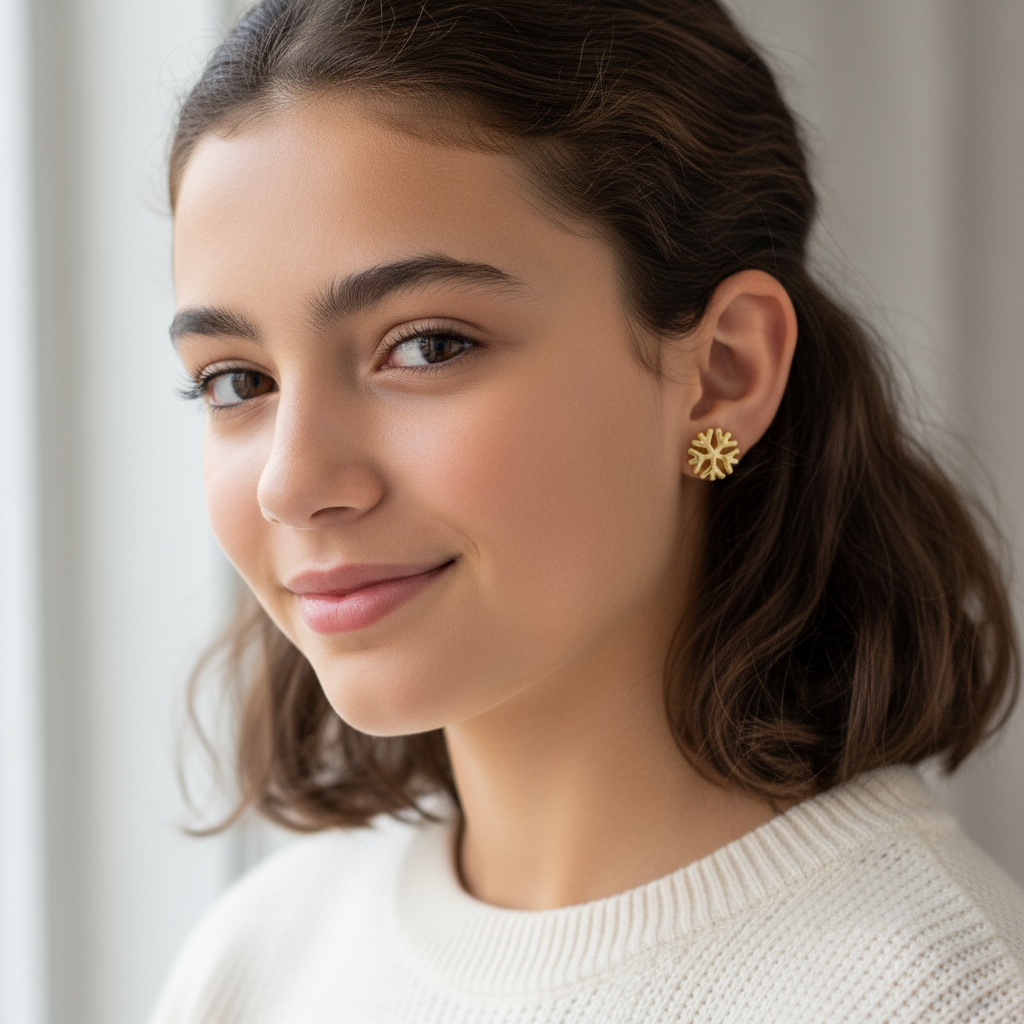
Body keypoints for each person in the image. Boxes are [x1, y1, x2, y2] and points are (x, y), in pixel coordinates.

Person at [151, 0, 1024, 1020]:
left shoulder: (936, 996)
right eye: (234, 382)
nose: (292, 482)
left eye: (427, 344)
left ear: (721, 374)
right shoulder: (257, 964)